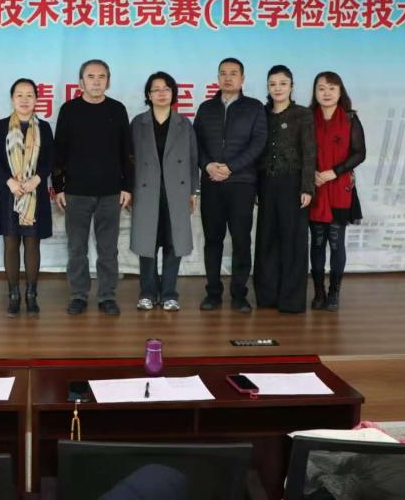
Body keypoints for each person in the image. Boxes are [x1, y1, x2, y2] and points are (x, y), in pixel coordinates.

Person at [53, 59, 133, 316]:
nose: (96, 82)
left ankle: (107, 296)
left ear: (108, 81)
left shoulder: (117, 109)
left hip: (110, 192)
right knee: (76, 247)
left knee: (108, 248)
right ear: (81, 82)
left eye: (101, 77)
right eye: (91, 77)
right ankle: (78, 295)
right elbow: (59, 151)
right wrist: (58, 187)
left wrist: (127, 186)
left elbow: (127, 152)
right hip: (76, 192)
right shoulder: (69, 110)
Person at [193, 57, 267, 314]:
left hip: (241, 184)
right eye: (223, 73)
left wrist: (231, 167)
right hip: (211, 182)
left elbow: (258, 143)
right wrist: (207, 166)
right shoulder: (206, 108)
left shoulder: (255, 107)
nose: (228, 77)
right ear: (218, 78)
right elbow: (196, 143)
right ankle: (213, 293)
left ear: (242, 79)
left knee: (241, 240)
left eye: (233, 73)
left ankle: (239, 294)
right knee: (212, 240)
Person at [129, 72, 199, 312]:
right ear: (148, 95)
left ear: (173, 93)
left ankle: (169, 293)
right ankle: (147, 292)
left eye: (166, 88)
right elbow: (129, 159)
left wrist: (193, 190)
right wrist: (128, 189)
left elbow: (192, 159)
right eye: (156, 89)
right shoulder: (138, 123)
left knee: (173, 242)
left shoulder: (184, 124)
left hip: (176, 191)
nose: (161, 93)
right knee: (147, 243)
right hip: (145, 191)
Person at [252, 65, 316, 313]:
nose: (277, 88)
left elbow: (309, 152)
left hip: (293, 184)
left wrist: (307, 187)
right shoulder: (261, 114)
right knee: (267, 240)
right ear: (267, 87)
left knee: (293, 241)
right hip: (266, 184)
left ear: (291, 86)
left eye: (283, 83)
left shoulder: (302, 114)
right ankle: (267, 296)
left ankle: (291, 300)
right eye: (272, 84)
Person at [0, 79, 54, 316]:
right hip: (9, 193)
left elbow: (50, 159)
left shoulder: (44, 128)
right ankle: (14, 295)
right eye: (20, 95)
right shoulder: (1, 127)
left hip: (35, 193)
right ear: (12, 99)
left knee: (32, 243)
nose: (25, 99)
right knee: (10, 243)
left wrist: (37, 179)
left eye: (29, 95)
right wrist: (10, 181)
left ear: (36, 99)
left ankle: (31, 295)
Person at [309, 71, 366, 312]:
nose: (326, 93)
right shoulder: (308, 118)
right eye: (321, 88)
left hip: (340, 187)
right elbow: (300, 150)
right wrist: (311, 173)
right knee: (317, 241)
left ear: (340, 91)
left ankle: (334, 292)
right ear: (315, 92)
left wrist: (334, 172)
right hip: (314, 187)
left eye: (332, 88)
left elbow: (360, 153)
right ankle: (318, 292)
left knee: (335, 242)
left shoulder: (350, 118)